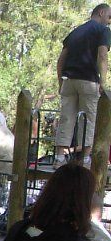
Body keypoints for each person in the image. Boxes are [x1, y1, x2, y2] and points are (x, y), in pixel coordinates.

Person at [54, 4, 111, 169]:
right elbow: (102, 55)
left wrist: (60, 82)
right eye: (109, 17)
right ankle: (85, 159)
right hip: (89, 81)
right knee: (89, 119)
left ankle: (59, 158)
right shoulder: (103, 31)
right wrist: (103, 82)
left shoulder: (75, 32)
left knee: (66, 118)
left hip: (69, 81)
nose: (109, 22)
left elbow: (61, 60)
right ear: (101, 13)